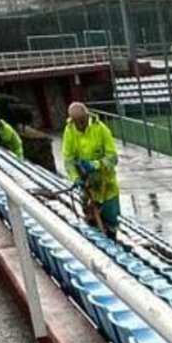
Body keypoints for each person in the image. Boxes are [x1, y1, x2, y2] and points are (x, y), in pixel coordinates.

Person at [61, 101, 120, 241]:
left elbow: (113, 157)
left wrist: (96, 165)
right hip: (87, 187)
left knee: (111, 220)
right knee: (91, 219)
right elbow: (68, 160)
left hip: (107, 185)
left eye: (82, 120)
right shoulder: (69, 132)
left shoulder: (101, 129)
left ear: (87, 116)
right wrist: (75, 178)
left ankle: (112, 239)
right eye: (77, 122)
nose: (80, 124)